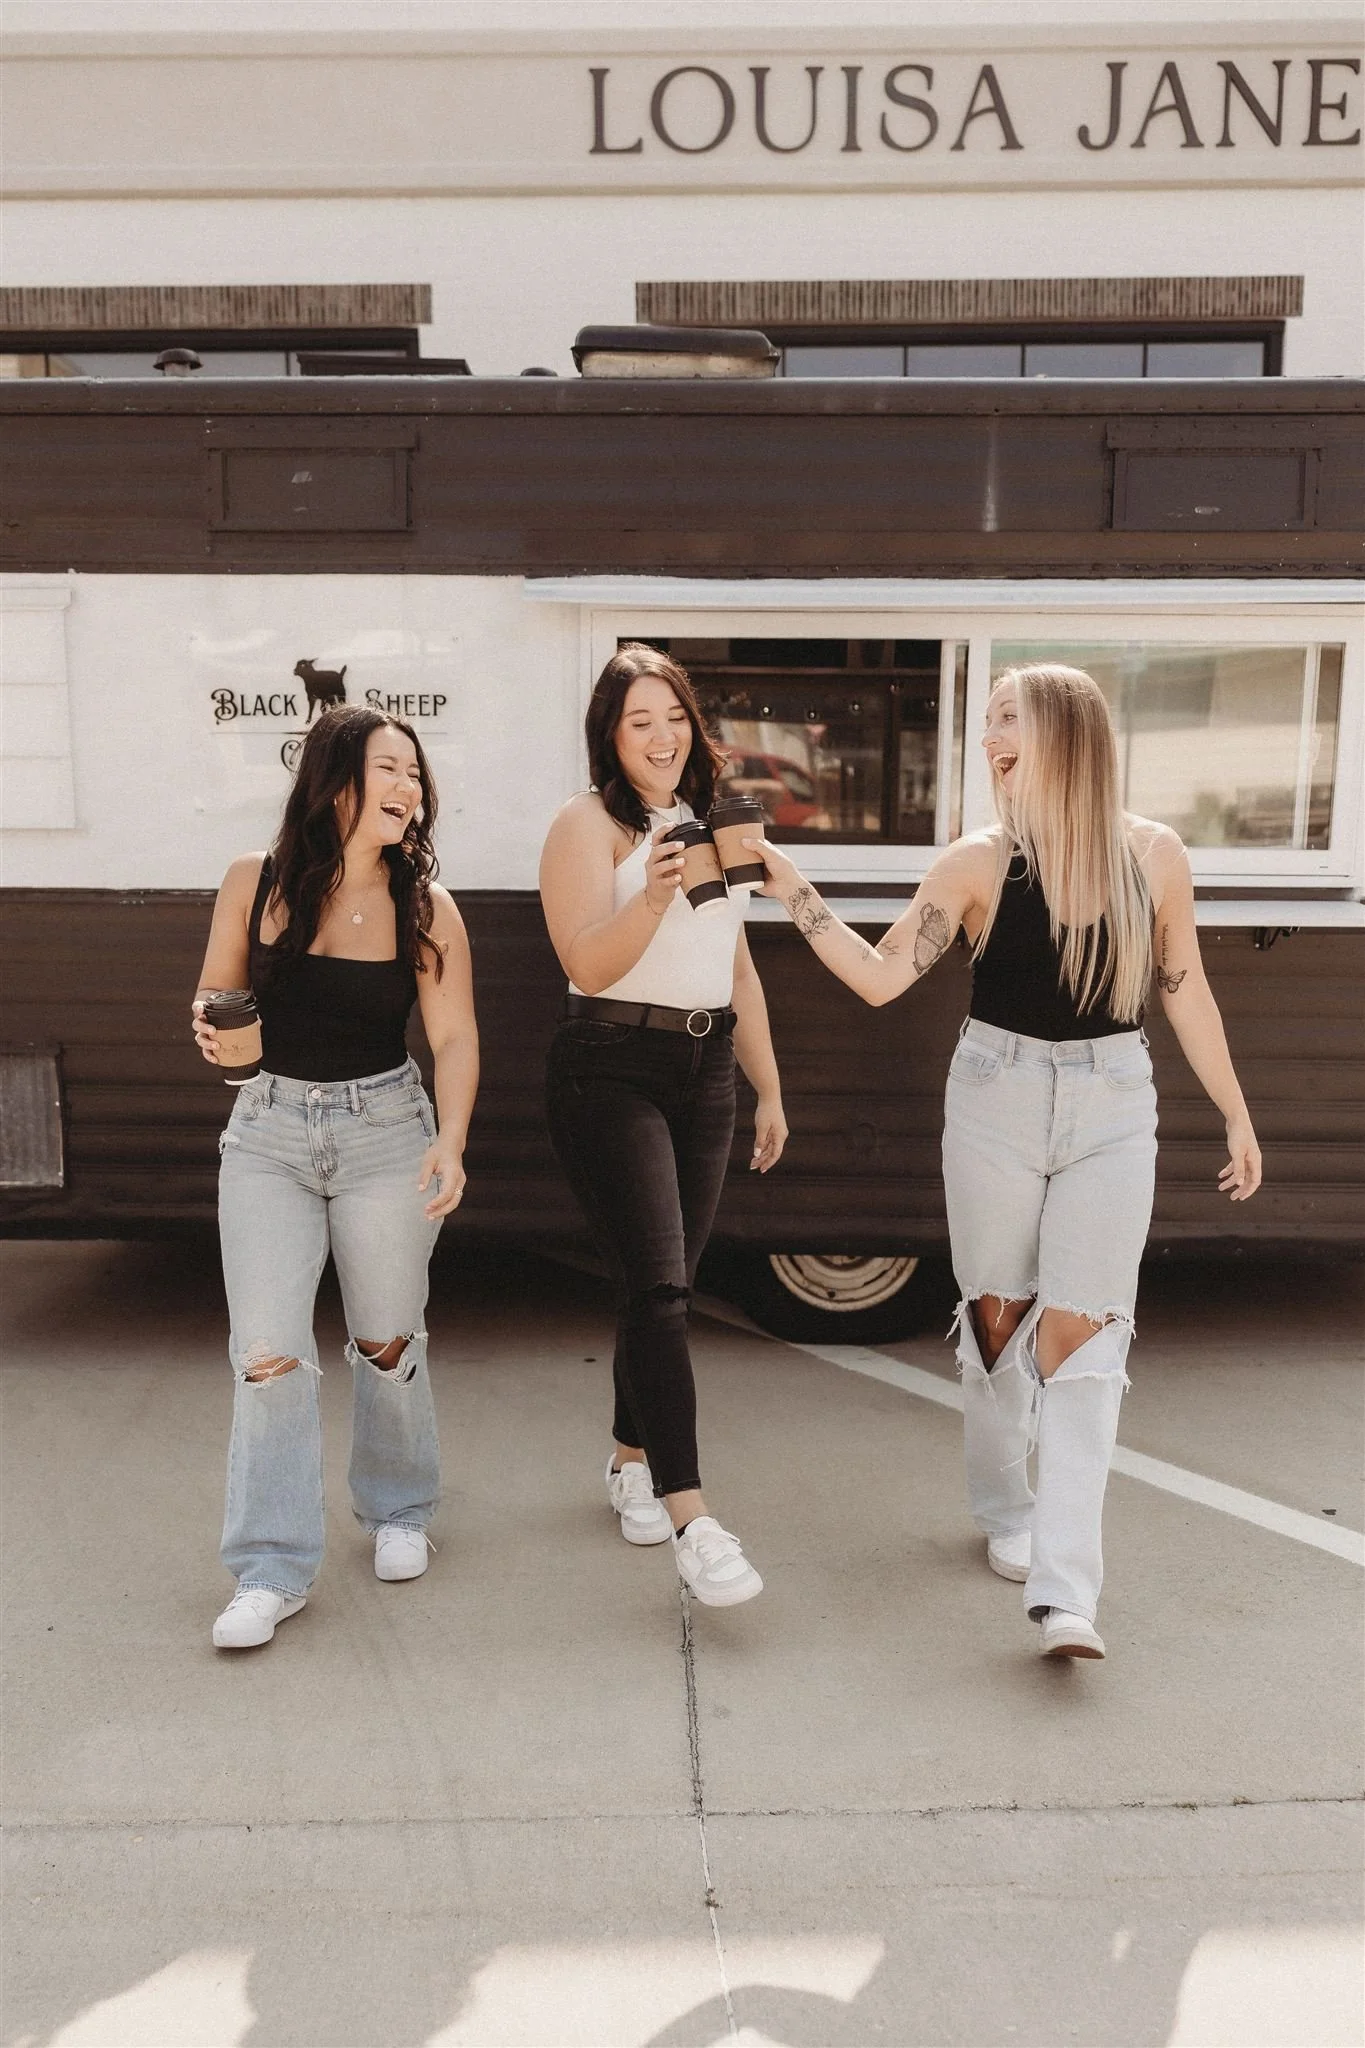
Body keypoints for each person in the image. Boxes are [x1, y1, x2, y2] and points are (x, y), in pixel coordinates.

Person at [742, 663, 1261, 1659]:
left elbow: (1185, 988)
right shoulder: (976, 862)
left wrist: (1236, 1110)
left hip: (1114, 1099)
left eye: (1008, 720)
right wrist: (792, 886)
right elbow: (882, 977)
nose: (990, 739)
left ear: (1068, 731)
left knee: (1085, 1331)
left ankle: (1067, 1593)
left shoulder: (1152, 855)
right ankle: (1003, 1500)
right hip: (997, 1094)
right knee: (997, 1315)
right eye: (986, 724)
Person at [192, 706, 478, 1649]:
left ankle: (398, 1511)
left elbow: (452, 1034)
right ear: (336, 779)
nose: (410, 788)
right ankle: (270, 1568)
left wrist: (453, 1141)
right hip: (268, 1131)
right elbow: (216, 996)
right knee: (268, 1354)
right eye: (390, 769)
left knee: (387, 1339)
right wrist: (209, 1026)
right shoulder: (254, 882)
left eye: (416, 774)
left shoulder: (426, 907)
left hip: (388, 1130)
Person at [539, 645, 788, 1607]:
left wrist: (767, 1086)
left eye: (673, 716)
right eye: (638, 720)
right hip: (609, 1067)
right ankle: (694, 1518)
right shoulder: (587, 823)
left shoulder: (711, 821)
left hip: (705, 1069)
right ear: (609, 733)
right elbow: (586, 964)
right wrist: (648, 893)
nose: (660, 736)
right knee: (661, 1292)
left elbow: (735, 967)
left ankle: (627, 1460)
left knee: (661, 1283)